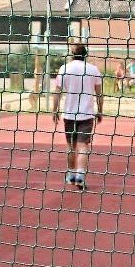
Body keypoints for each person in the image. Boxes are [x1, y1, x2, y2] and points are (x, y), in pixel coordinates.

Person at [52, 43, 104, 190]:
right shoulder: (93, 70)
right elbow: (99, 94)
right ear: (85, 54)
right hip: (86, 114)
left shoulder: (65, 68)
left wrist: (54, 110)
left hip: (69, 113)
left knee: (71, 146)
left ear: (72, 54)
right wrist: (100, 110)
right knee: (83, 146)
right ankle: (80, 175)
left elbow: (57, 91)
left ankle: (71, 174)